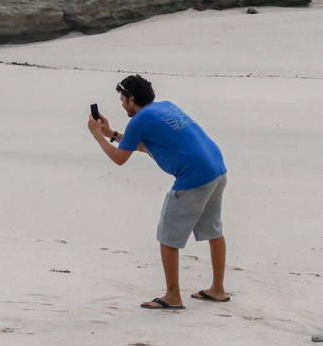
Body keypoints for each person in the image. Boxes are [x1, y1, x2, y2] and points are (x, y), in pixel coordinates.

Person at [87, 74, 229, 309]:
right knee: (213, 229)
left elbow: (120, 159)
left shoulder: (139, 120)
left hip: (193, 177)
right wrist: (110, 134)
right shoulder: (165, 107)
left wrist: (95, 135)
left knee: (168, 236)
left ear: (132, 99)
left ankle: (173, 296)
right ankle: (218, 289)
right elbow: (145, 145)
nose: (122, 105)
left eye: (123, 100)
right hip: (217, 169)